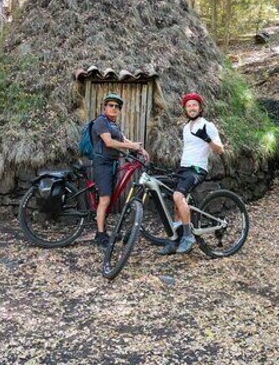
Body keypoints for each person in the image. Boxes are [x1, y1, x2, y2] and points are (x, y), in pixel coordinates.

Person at [159, 91, 224, 255]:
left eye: (194, 104)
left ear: (200, 108)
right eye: (188, 105)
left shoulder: (207, 125)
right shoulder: (186, 128)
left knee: (178, 197)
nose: (192, 107)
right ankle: (175, 241)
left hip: (197, 169)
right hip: (184, 168)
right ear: (185, 109)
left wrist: (208, 139)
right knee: (175, 205)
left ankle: (188, 237)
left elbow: (220, 150)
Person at [91, 92, 147, 248]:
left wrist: (140, 149)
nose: (114, 108)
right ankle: (100, 235)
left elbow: (123, 139)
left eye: (117, 106)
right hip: (102, 164)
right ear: (105, 107)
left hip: (112, 163)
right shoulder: (100, 122)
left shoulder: (113, 124)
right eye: (111, 105)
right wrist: (132, 146)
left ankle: (102, 231)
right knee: (105, 199)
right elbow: (109, 142)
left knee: (110, 197)